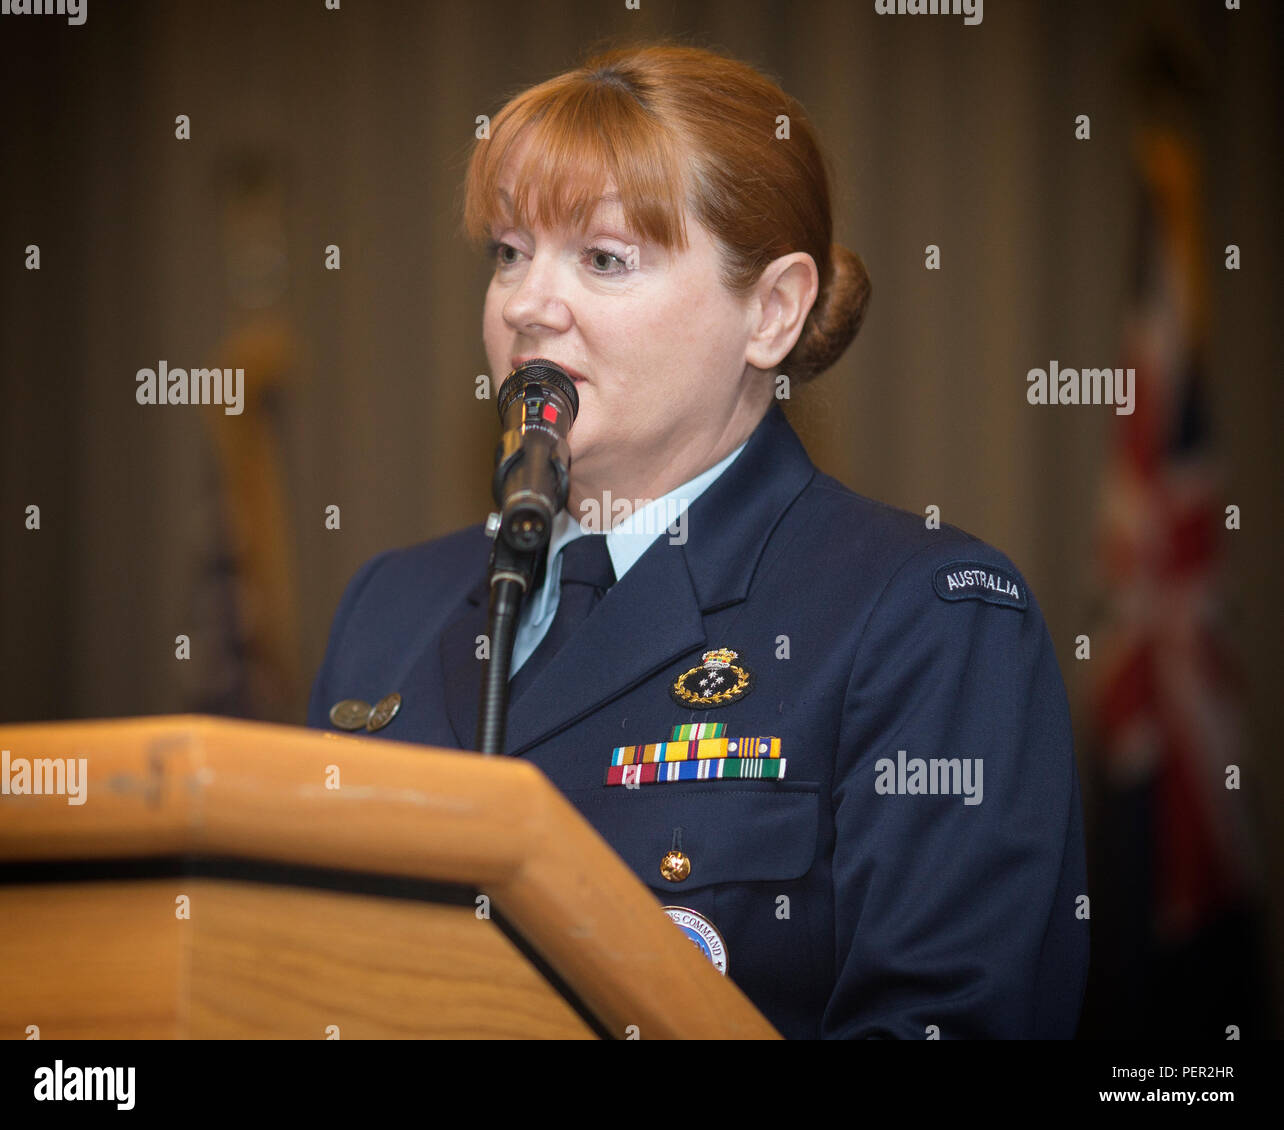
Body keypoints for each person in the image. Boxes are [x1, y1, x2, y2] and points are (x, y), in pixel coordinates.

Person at [308, 41, 1089, 1039]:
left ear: (770, 311)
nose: (527, 305)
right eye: (509, 251)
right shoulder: (390, 605)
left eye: (602, 258)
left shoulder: (930, 617)